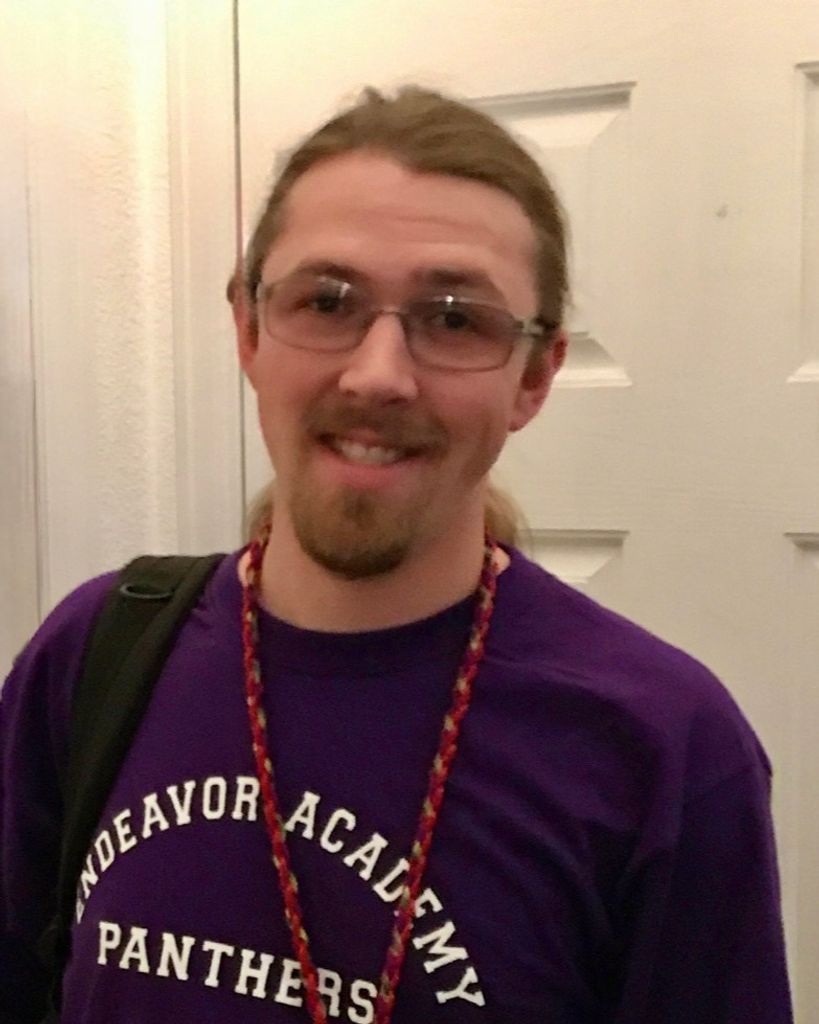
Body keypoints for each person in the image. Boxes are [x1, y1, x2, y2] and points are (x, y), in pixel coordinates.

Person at [1, 86, 792, 1024]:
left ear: (534, 376)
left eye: (454, 319)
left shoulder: (661, 745)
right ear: (248, 328)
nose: (377, 375)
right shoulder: (95, 653)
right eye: (326, 301)